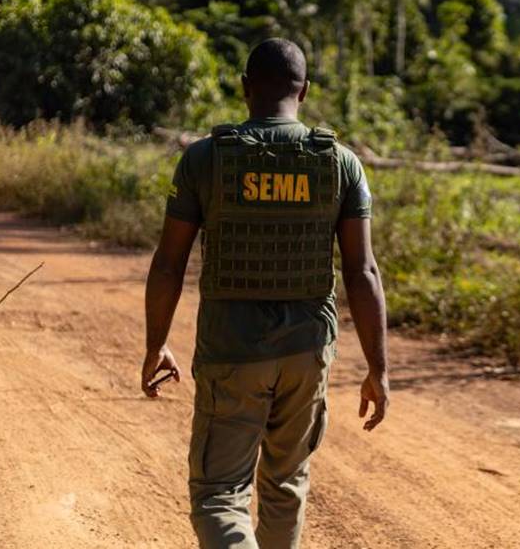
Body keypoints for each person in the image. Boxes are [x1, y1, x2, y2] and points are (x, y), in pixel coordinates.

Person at [140, 38, 390, 549]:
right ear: (305, 90)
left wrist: (155, 344)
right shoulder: (341, 163)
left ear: (245, 88)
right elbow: (362, 270)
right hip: (307, 352)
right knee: (286, 486)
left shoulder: (205, 159)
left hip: (231, 348)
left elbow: (169, 263)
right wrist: (378, 369)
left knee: (217, 495)